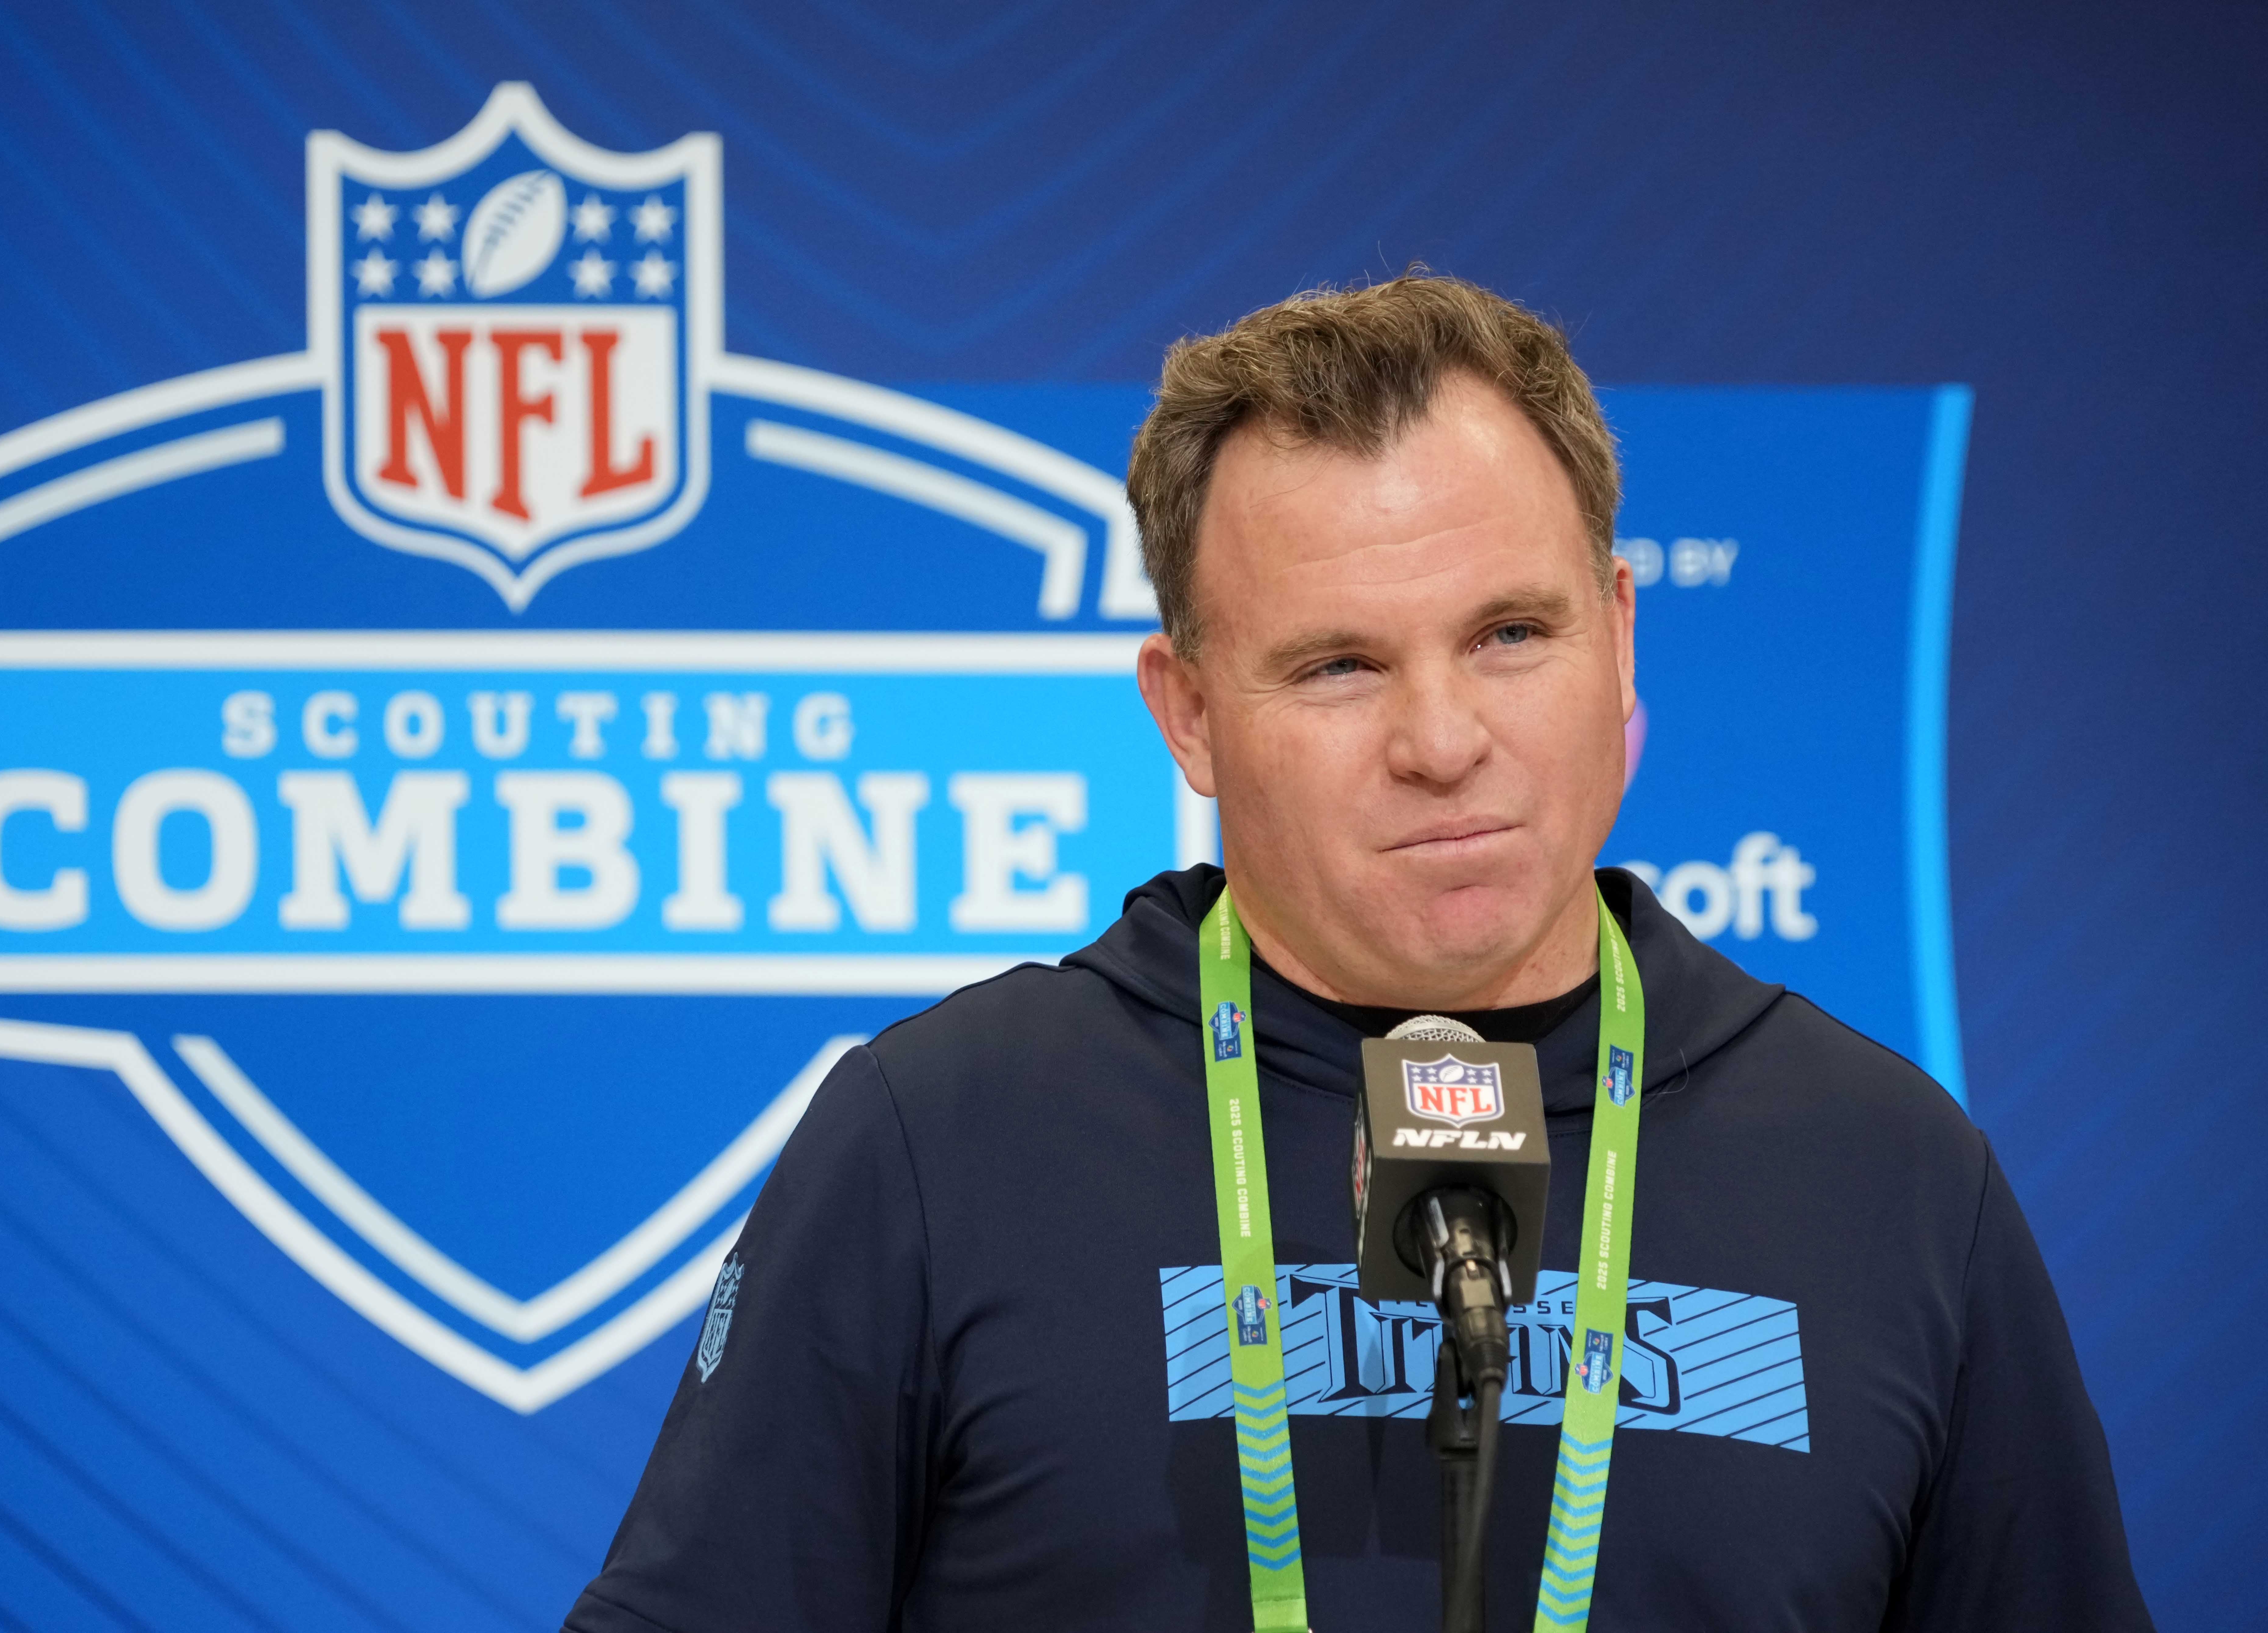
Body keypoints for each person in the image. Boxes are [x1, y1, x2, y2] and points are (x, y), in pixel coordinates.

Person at [565, 275, 2151, 1631]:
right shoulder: (940, 1136)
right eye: (1336, 665)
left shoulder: (1889, 1172)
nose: (1442, 738)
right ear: (1186, 713)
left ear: (1620, 633)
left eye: (1510, 635)